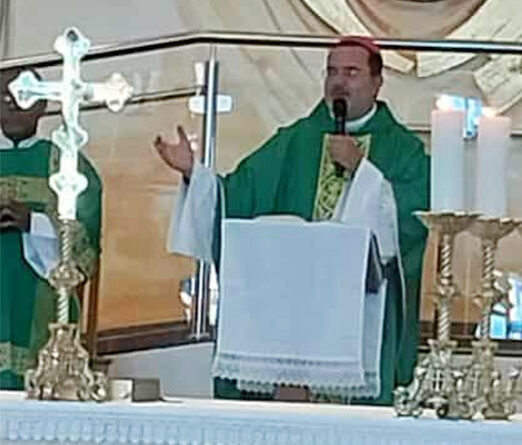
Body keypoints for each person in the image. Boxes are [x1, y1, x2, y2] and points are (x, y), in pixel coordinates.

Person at [154, 37, 430, 405]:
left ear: (377, 83)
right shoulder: (296, 140)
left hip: (358, 310)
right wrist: (195, 174)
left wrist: (362, 172)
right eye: (332, 72)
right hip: (292, 312)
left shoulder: (403, 150)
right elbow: (236, 197)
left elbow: (414, 217)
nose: (339, 82)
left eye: (351, 72)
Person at [0, 68, 103, 390]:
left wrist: (32, 222)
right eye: (4, 98)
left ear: (42, 103)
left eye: (21, 97)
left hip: (39, 293)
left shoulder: (64, 162)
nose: (13, 107)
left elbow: (86, 234)